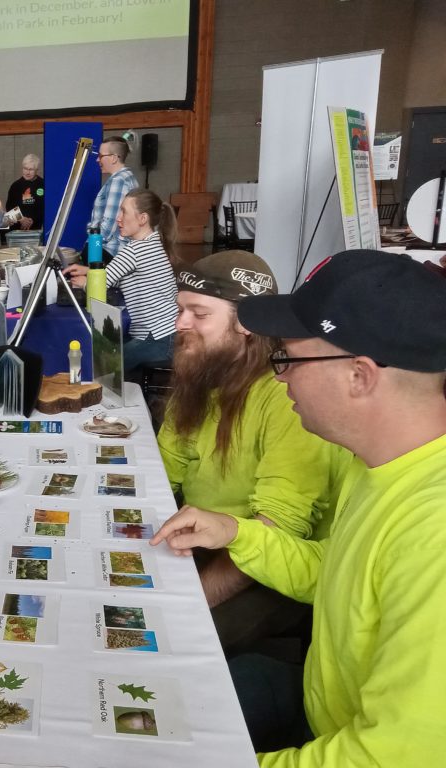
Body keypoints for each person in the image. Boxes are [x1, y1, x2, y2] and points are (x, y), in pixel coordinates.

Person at [151, 249, 446, 767]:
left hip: (341, 739)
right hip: (318, 700)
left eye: (287, 357)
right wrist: (238, 534)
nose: (278, 374)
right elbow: (337, 572)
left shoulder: (433, 535)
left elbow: (391, 757)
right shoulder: (376, 464)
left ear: (360, 376)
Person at [156, 250, 335, 653]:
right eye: (181, 309)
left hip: (261, 570)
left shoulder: (287, 396)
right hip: (203, 540)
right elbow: (164, 469)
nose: (180, 323)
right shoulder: (200, 374)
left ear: (246, 324)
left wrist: (191, 599)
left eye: (199, 314)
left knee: (173, 642)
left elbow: (278, 526)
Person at [64, 189, 179, 374]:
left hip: (157, 338)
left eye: (124, 212)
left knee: (102, 365)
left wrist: (83, 283)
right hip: (169, 334)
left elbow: (101, 284)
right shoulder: (154, 242)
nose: (118, 218)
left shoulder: (134, 251)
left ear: (142, 218)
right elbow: (126, 277)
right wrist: (88, 271)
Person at [90, 136, 139, 257]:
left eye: (101, 156)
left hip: (110, 251)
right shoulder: (127, 177)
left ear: (113, 158)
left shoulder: (119, 181)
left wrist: (91, 244)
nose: (97, 159)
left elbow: (109, 225)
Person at [5, 153, 45, 231]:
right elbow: (9, 208)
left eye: (31, 169)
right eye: (25, 168)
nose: (27, 172)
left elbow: (45, 208)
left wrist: (32, 220)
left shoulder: (43, 184)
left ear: (37, 170)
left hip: (36, 229)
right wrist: (22, 219)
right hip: (16, 230)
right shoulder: (15, 186)